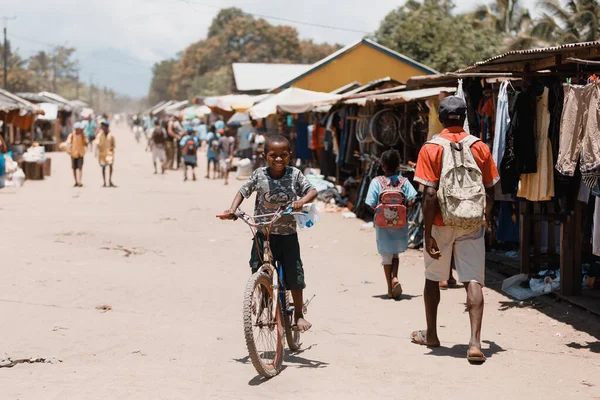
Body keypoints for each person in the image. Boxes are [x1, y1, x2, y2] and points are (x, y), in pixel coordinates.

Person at [412, 96, 499, 363]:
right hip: (471, 223)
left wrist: (426, 235)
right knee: (473, 279)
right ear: (464, 117)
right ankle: (474, 343)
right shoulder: (480, 147)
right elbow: (491, 188)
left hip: (440, 223)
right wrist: (486, 218)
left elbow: (429, 194)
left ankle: (433, 334)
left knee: (432, 277)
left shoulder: (430, 148)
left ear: (440, 118)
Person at [219, 135, 318, 332]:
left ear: (290, 155)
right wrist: (232, 209)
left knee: (294, 273)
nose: (278, 159)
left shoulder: (295, 174)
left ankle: (298, 315)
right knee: (257, 266)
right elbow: (242, 192)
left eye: (283, 155)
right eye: (273, 155)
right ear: (265, 156)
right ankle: (264, 297)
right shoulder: (259, 174)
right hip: (263, 233)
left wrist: (301, 201)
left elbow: (312, 191)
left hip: (288, 234)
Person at [365, 149, 417, 299]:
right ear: (399, 165)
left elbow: (370, 203)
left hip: (382, 225)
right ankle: (395, 277)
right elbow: (412, 199)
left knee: (386, 255)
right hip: (400, 223)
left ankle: (389, 287)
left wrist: (380, 211)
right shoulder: (404, 182)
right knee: (395, 253)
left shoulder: (377, 182)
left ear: (382, 165)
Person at [66, 122, 87, 187]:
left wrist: (83, 137)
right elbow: (68, 143)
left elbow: (86, 143)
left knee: (80, 168)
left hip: (80, 153)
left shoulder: (83, 135)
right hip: (73, 154)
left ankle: (80, 181)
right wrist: (69, 149)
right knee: (74, 168)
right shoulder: (72, 135)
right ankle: (76, 181)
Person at [96, 119, 117, 187]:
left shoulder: (111, 135)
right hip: (102, 154)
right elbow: (97, 143)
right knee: (103, 168)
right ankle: (104, 182)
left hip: (109, 154)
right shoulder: (99, 135)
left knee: (110, 166)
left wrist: (111, 148)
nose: (102, 127)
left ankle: (110, 180)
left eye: (103, 126)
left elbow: (113, 144)